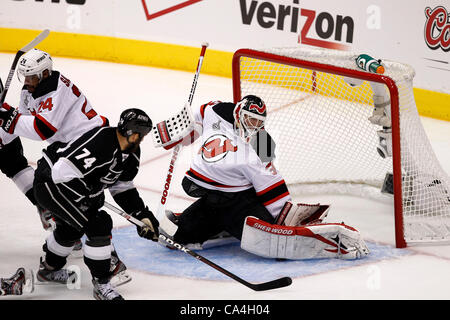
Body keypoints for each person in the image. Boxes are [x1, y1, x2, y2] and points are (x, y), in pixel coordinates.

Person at [160, 95, 369, 260]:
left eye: (258, 122)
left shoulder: (262, 147)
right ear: (239, 113)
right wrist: (181, 131)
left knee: (265, 238)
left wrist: (282, 221)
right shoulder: (215, 110)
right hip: (210, 193)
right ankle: (218, 224)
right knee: (176, 237)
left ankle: (330, 239)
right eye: (250, 119)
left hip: (239, 201)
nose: (253, 125)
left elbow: (272, 186)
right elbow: (195, 117)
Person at [0, 49, 129, 284]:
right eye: (25, 77)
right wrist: (4, 133)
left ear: (45, 73)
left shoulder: (57, 89)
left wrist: (8, 119)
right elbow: (21, 120)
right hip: (70, 151)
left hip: (90, 146)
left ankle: (108, 258)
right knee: (77, 205)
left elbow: (42, 129)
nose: (27, 83)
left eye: (32, 78)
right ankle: (70, 242)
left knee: (88, 206)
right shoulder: (31, 90)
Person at [32, 108, 159, 300]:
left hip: (67, 184)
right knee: (98, 223)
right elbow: (61, 173)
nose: (142, 140)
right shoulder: (101, 143)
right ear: (131, 133)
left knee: (73, 227)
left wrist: (141, 214)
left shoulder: (131, 152)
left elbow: (122, 187)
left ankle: (48, 269)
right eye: (141, 135)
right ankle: (102, 284)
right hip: (50, 184)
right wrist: (88, 195)